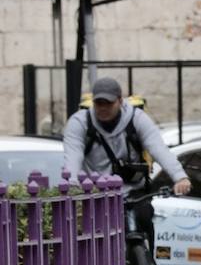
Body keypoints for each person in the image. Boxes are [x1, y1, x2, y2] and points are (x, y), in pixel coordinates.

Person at [62, 77, 192, 240]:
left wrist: (179, 177)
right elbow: (72, 158)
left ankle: (147, 263)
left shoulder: (137, 119)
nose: (103, 108)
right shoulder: (80, 122)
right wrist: (72, 187)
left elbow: (158, 149)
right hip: (97, 196)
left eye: (108, 103)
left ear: (120, 101)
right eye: (99, 103)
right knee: (98, 244)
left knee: (148, 232)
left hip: (134, 193)